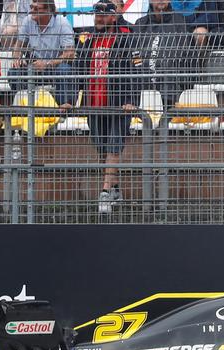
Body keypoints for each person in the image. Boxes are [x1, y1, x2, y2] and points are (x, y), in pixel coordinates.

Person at [61, 0, 140, 213]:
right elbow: (77, 71)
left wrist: (132, 100)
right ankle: (114, 187)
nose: (99, 19)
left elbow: (136, 72)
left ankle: (104, 192)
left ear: (113, 17)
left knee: (114, 145)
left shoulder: (126, 37)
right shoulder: (87, 38)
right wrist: (69, 99)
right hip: (94, 103)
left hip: (119, 103)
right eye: (97, 15)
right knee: (102, 148)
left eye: (104, 15)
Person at [9, 0, 75, 105]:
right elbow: (19, 46)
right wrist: (17, 58)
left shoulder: (63, 23)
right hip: (35, 66)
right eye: (31, 7)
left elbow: (70, 53)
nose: (31, 11)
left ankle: (63, 108)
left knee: (64, 69)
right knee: (13, 72)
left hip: (55, 66)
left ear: (48, 10)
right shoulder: (28, 21)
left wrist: (47, 64)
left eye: (36, 9)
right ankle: (24, 106)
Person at [134, 0, 194, 108]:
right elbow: (134, 53)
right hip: (143, 85)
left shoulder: (180, 22)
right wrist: (141, 69)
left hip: (171, 86)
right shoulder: (141, 24)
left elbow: (186, 54)